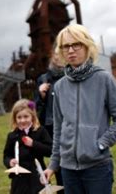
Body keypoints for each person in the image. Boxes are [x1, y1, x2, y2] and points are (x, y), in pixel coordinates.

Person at [42, 24, 116, 194]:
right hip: (68, 170)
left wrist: (100, 144)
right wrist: (53, 164)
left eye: (76, 44)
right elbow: (58, 129)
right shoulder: (59, 86)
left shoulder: (104, 79)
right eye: (66, 46)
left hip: (97, 167)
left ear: (87, 46)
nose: (71, 50)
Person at [3, 99, 52, 194]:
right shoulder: (12, 136)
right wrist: (10, 162)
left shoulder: (40, 131)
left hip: (38, 177)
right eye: (19, 117)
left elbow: (50, 150)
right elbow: (6, 155)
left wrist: (34, 144)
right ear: (15, 118)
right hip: (19, 180)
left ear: (32, 117)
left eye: (26, 116)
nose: (22, 120)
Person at [34, 51, 65, 193]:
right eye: (56, 56)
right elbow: (36, 107)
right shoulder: (43, 79)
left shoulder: (69, 77)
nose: (58, 58)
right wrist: (41, 94)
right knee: (57, 160)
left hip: (68, 123)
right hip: (50, 125)